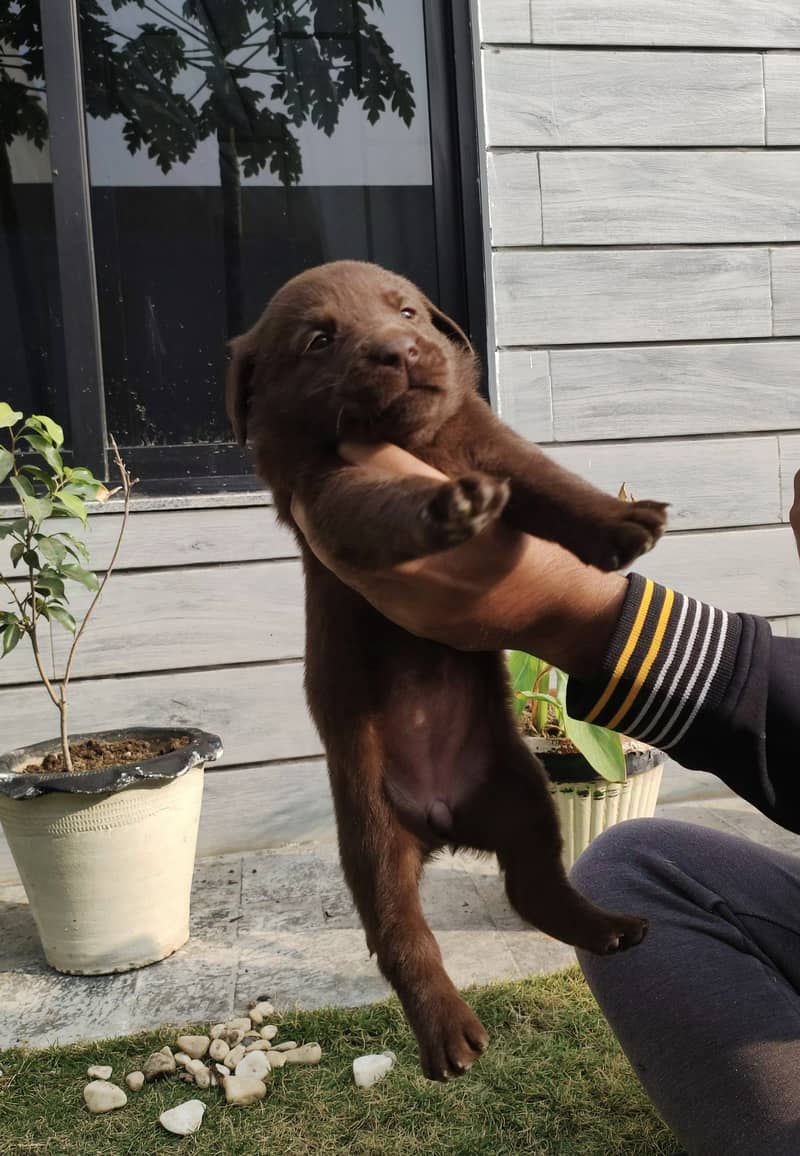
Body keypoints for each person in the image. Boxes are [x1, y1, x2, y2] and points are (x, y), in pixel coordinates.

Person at [293, 443, 800, 1156]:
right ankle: (422, 980)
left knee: (527, 824)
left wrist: (581, 612)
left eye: (413, 319)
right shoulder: (315, 454)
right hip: (377, 734)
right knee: (632, 864)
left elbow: (512, 465)